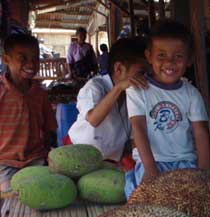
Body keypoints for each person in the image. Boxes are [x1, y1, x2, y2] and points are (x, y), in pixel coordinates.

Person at [125, 20, 210, 199]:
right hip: (152, 161)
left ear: (189, 60)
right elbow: (138, 128)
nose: (170, 62)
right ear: (149, 56)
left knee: (191, 205)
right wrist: (150, 170)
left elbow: (200, 132)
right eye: (161, 55)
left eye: (178, 56)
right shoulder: (137, 90)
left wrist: (204, 173)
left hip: (185, 163)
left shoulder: (191, 93)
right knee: (146, 206)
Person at [65, 37, 148, 170]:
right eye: (141, 73)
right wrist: (118, 88)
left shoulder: (134, 94)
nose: (145, 78)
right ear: (119, 68)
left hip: (109, 163)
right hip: (77, 155)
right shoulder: (95, 86)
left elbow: (134, 137)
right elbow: (93, 119)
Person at [0, 33, 57, 193]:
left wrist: (49, 154)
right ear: (6, 59)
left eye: (35, 58)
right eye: (22, 58)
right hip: (4, 162)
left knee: (42, 192)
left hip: (35, 159)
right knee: (12, 195)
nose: (31, 63)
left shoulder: (39, 93)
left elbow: (49, 128)